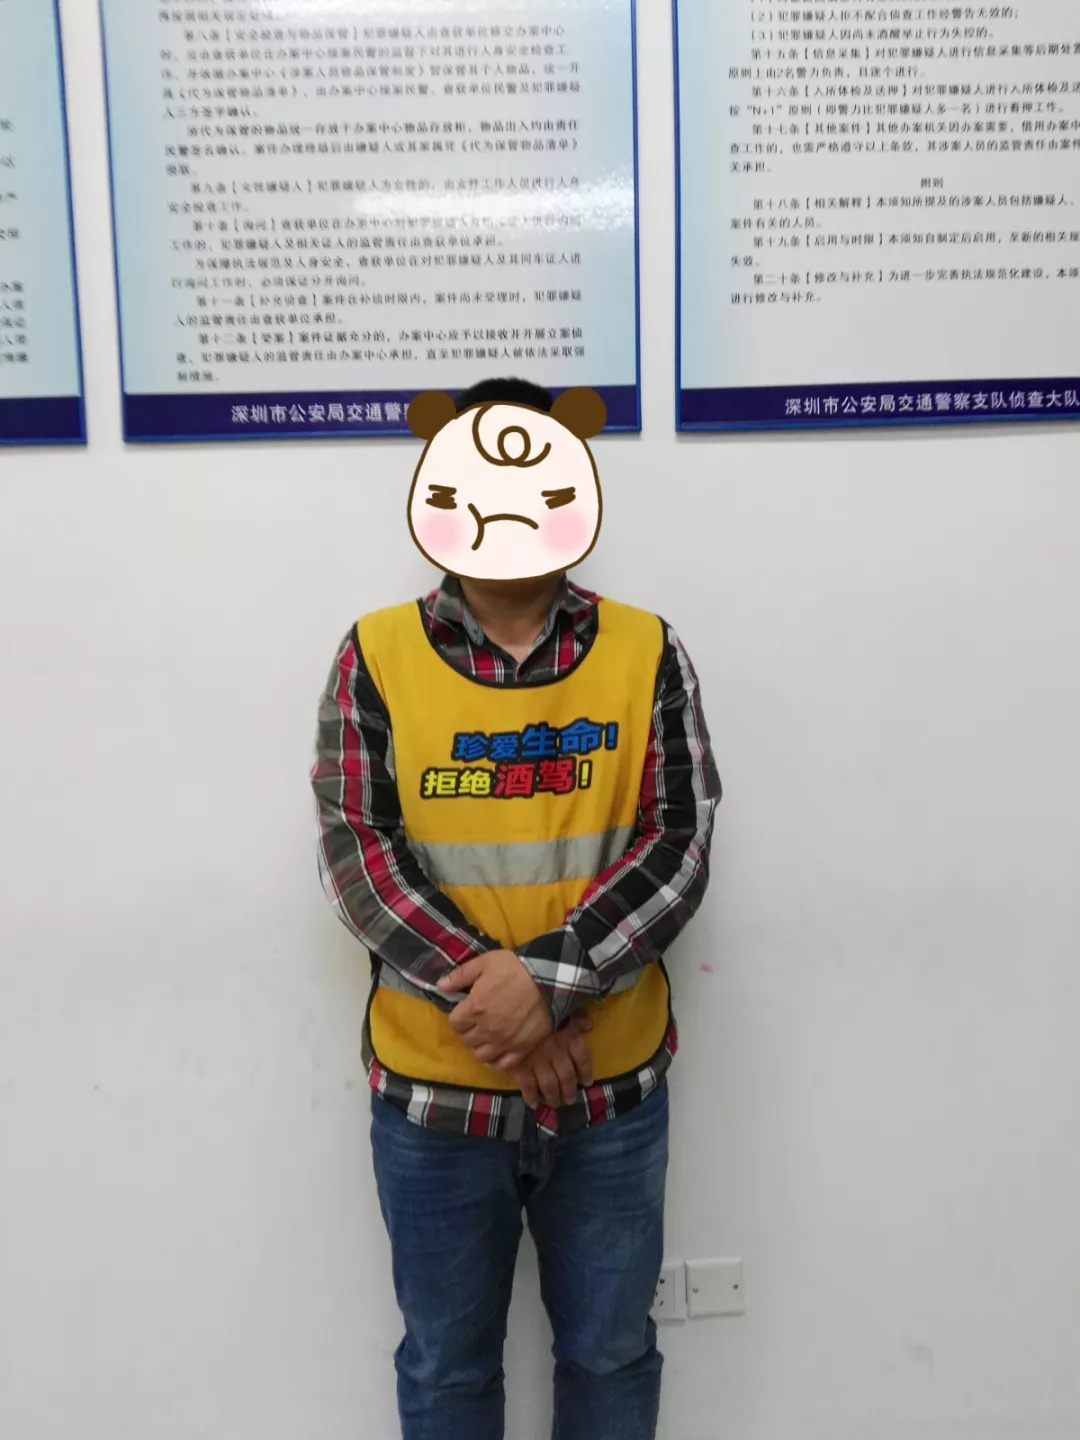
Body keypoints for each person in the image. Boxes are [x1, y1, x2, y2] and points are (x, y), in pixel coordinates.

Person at [311, 377, 721, 1440]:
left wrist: (542, 987)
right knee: (447, 1371)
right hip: (438, 1099)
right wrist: (518, 1012)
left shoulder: (647, 649)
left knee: (612, 1355)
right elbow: (360, 857)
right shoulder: (374, 654)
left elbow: (677, 843)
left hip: (609, 1092)